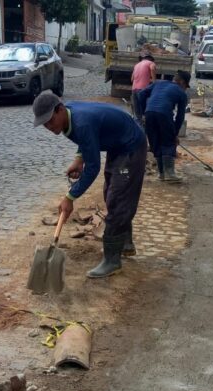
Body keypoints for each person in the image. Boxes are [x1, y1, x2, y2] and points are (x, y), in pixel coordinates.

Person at [33, 91, 147, 278]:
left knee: (118, 199)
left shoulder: (81, 122)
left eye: (50, 121)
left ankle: (112, 261)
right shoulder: (70, 116)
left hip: (130, 146)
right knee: (111, 192)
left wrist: (70, 197)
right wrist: (79, 159)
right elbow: (87, 140)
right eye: (44, 124)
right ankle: (125, 243)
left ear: (60, 109)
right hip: (117, 144)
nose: (48, 126)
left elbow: (93, 168)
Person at [137, 70, 190, 183]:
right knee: (168, 142)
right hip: (164, 115)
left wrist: (142, 113)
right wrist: (174, 134)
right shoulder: (182, 93)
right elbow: (180, 117)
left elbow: (140, 94)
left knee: (155, 142)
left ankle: (161, 174)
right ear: (182, 82)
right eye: (186, 86)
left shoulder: (159, 83)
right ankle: (169, 173)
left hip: (149, 114)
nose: (185, 89)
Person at [130, 52, 156, 122]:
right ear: (150, 59)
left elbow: (132, 79)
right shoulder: (151, 63)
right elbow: (153, 69)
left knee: (137, 113)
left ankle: (139, 125)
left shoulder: (136, 65)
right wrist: (154, 82)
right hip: (142, 90)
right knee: (144, 110)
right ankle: (145, 126)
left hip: (134, 89)